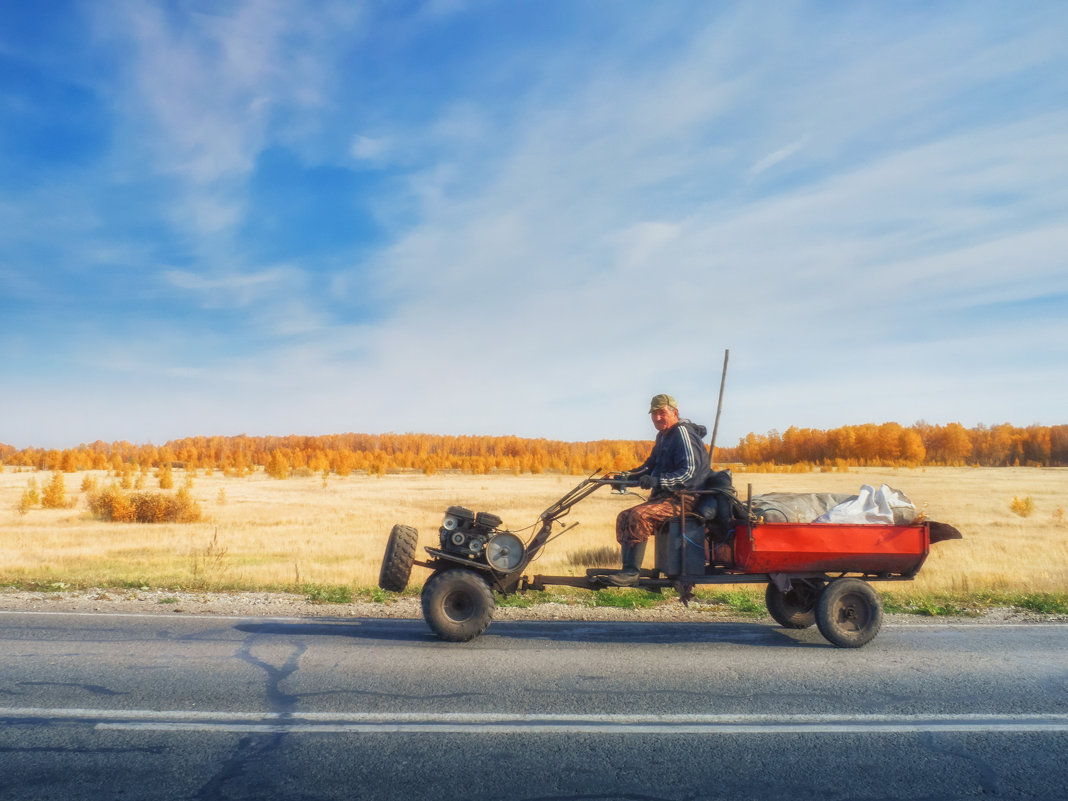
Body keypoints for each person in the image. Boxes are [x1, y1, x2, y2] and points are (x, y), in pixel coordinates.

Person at [605, 394, 711, 586]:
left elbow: (690, 472)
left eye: (662, 413)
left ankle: (631, 574)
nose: (657, 418)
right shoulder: (663, 437)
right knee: (624, 517)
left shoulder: (683, 433)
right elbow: (649, 467)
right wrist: (626, 477)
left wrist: (658, 481)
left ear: (675, 412)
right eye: (654, 414)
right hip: (665, 498)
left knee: (638, 516)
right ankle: (628, 568)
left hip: (685, 499)